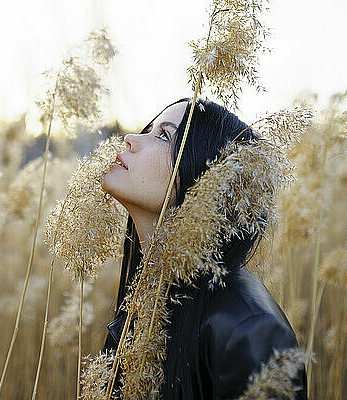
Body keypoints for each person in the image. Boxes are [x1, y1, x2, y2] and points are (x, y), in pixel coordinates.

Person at [101, 97, 307, 399]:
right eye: (149, 129)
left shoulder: (248, 331)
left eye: (163, 135)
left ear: (205, 178)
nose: (131, 138)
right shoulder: (148, 298)